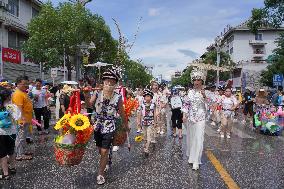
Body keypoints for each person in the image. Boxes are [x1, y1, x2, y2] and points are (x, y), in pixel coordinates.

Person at [90, 67, 128, 185]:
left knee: (104, 150)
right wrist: (86, 95)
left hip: (110, 126)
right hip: (97, 125)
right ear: (103, 82)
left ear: (115, 84)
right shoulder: (97, 93)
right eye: (107, 81)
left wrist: (126, 125)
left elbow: (121, 112)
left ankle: (100, 174)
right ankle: (106, 159)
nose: (109, 84)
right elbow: (89, 105)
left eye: (112, 82)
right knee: (100, 150)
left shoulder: (118, 97)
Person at [182, 68, 207, 170]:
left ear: (202, 81)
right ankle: (192, 158)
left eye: (198, 80)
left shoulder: (206, 92)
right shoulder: (190, 92)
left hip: (201, 118)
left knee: (199, 138)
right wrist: (184, 115)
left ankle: (196, 160)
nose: (196, 82)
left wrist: (205, 96)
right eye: (195, 80)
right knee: (192, 138)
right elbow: (186, 104)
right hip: (191, 118)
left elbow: (211, 105)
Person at [0, 86, 21, 180]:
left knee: (2, 154)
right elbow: (17, 117)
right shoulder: (13, 106)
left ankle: (5, 173)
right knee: (11, 151)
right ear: (8, 97)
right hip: (11, 133)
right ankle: (12, 168)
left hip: (1, 133)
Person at [12, 76, 33, 161]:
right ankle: (19, 155)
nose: (26, 86)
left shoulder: (23, 92)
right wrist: (22, 119)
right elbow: (18, 108)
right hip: (21, 121)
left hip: (26, 119)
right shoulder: (18, 94)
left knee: (23, 137)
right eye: (24, 84)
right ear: (18, 84)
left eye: (27, 84)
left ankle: (23, 152)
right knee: (20, 137)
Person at [137, 88, 157, 157]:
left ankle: (146, 149)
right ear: (144, 97)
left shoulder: (153, 105)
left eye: (149, 96)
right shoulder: (142, 105)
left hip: (150, 122)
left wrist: (155, 121)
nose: (147, 98)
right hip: (144, 122)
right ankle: (146, 145)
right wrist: (138, 122)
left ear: (151, 97)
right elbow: (139, 114)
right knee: (144, 137)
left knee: (149, 136)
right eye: (146, 96)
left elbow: (154, 113)